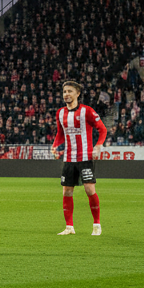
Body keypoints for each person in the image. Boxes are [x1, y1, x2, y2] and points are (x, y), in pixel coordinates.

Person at [53, 79, 106, 236]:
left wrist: (98, 145)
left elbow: (102, 129)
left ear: (77, 93)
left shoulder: (87, 111)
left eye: (70, 91)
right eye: (64, 92)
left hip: (85, 157)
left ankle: (96, 224)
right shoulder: (60, 113)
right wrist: (55, 146)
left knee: (89, 189)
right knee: (67, 192)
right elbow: (60, 133)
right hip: (69, 158)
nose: (66, 94)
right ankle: (69, 227)